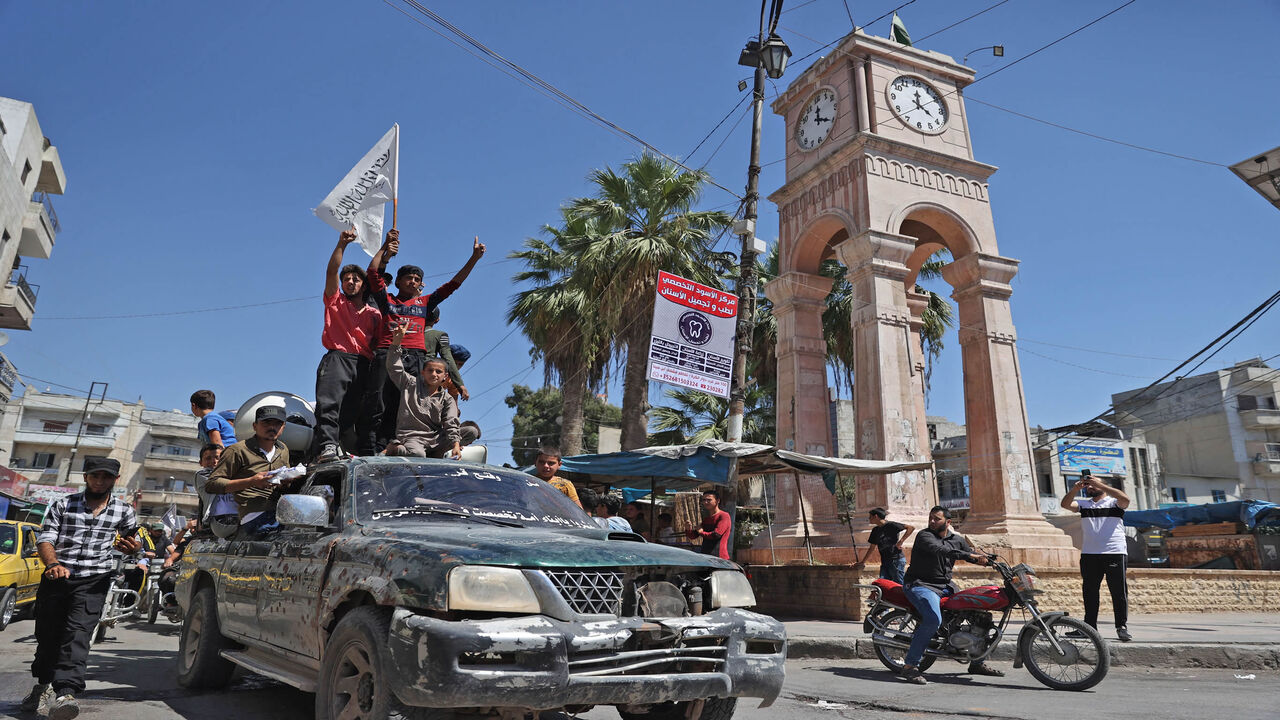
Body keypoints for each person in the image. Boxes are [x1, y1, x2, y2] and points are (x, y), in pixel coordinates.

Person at [22, 457, 141, 719]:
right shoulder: (63, 504)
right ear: (85, 476)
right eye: (95, 476)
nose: (100, 481)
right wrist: (53, 563)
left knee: (78, 634)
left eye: (106, 477)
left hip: (94, 581)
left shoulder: (124, 511)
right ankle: (42, 685)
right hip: (57, 578)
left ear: (115, 480)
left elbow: (134, 540)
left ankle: (65, 693)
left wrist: (134, 547)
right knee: (48, 638)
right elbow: (46, 538)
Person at [362, 231, 486, 454]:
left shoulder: (425, 302)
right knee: (379, 403)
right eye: (408, 277)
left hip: (417, 357)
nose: (413, 281)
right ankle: (374, 450)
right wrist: (384, 248)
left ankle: (402, 445)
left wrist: (473, 259)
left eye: (417, 279)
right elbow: (372, 273)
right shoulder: (387, 299)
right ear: (398, 281)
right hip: (388, 354)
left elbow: (453, 285)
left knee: (409, 403)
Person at [897, 506, 1001, 685]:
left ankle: (977, 662)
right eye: (931, 518)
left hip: (945, 586)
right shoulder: (924, 536)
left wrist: (989, 561)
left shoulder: (957, 539)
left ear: (948, 522)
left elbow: (971, 555)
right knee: (933, 620)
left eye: (936, 519)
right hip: (921, 584)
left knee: (979, 614)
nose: (932, 521)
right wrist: (970, 554)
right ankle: (910, 666)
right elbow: (941, 550)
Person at [314, 227, 383, 463]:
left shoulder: (375, 312)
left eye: (355, 279)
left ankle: (341, 450)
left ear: (364, 285)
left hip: (364, 364)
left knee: (353, 412)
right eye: (346, 279)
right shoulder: (335, 300)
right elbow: (331, 270)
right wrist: (342, 244)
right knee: (328, 405)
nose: (350, 282)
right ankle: (327, 446)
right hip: (338, 359)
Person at [1060, 470, 1133, 642]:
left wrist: (1098, 483)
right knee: (1090, 592)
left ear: (1102, 486)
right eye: (1089, 485)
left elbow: (1126, 499)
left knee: (1118, 591)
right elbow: (1065, 504)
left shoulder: (1115, 503)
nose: (1091, 486)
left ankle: (1121, 627)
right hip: (1089, 554)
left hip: (1115, 552)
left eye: (1094, 484)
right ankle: (1089, 627)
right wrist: (1075, 489)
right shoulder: (1084, 505)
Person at [205, 405, 298, 533]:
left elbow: (283, 485)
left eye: (278, 424)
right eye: (266, 423)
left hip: (280, 513)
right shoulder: (237, 450)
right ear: (255, 426)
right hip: (254, 517)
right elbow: (212, 484)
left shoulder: (283, 449)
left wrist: (287, 481)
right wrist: (252, 481)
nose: (272, 427)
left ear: (283, 427)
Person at [384, 322, 461, 459]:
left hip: (435, 439)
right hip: (411, 437)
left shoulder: (446, 398)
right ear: (422, 372)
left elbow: (451, 421)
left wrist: (455, 445)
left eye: (438, 372)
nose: (434, 374)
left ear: (445, 376)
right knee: (418, 454)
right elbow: (394, 368)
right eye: (430, 371)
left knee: (470, 432)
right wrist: (396, 343)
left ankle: (437, 453)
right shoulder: (410, 384)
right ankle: (395, 448)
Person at [854, 507, 915, 584]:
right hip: (885, 561)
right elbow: (872, 547)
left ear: (876, 516)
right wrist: (863, 561)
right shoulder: (875, 530)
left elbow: (910, 528)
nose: (869, 519)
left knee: (899, 584)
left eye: (870, 517)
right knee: (883, 584)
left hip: (896, 560)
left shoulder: (891, 525)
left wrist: (901, 541)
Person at [421, 308, 469, 401]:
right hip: (423, 382)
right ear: (437, 320)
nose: (457, 366)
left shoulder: (407, 331)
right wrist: (460, 385)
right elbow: (447, 358)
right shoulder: (440, 335)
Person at [687, 489, 732, 560]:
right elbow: (693, 536)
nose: (705, 502)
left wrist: (701, 532)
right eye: (704, 500)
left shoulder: (724, 516)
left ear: (717, 501)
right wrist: (688, 529)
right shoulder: (706, 519)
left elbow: (716, 535)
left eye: (709, 500)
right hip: (706, 557)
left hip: (719, 558)